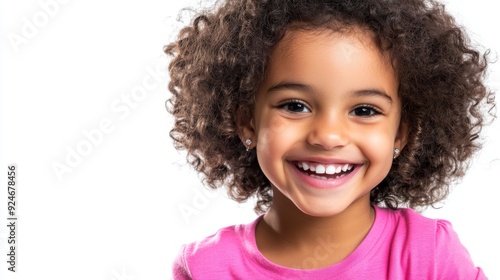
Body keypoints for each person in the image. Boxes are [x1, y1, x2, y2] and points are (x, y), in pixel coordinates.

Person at [165, 0, 495, 278]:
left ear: (402, 132)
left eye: (365, 110)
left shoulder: (429, 255)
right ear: (247, 124)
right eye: (294, 106)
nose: (328, 136)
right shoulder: (206, 268)